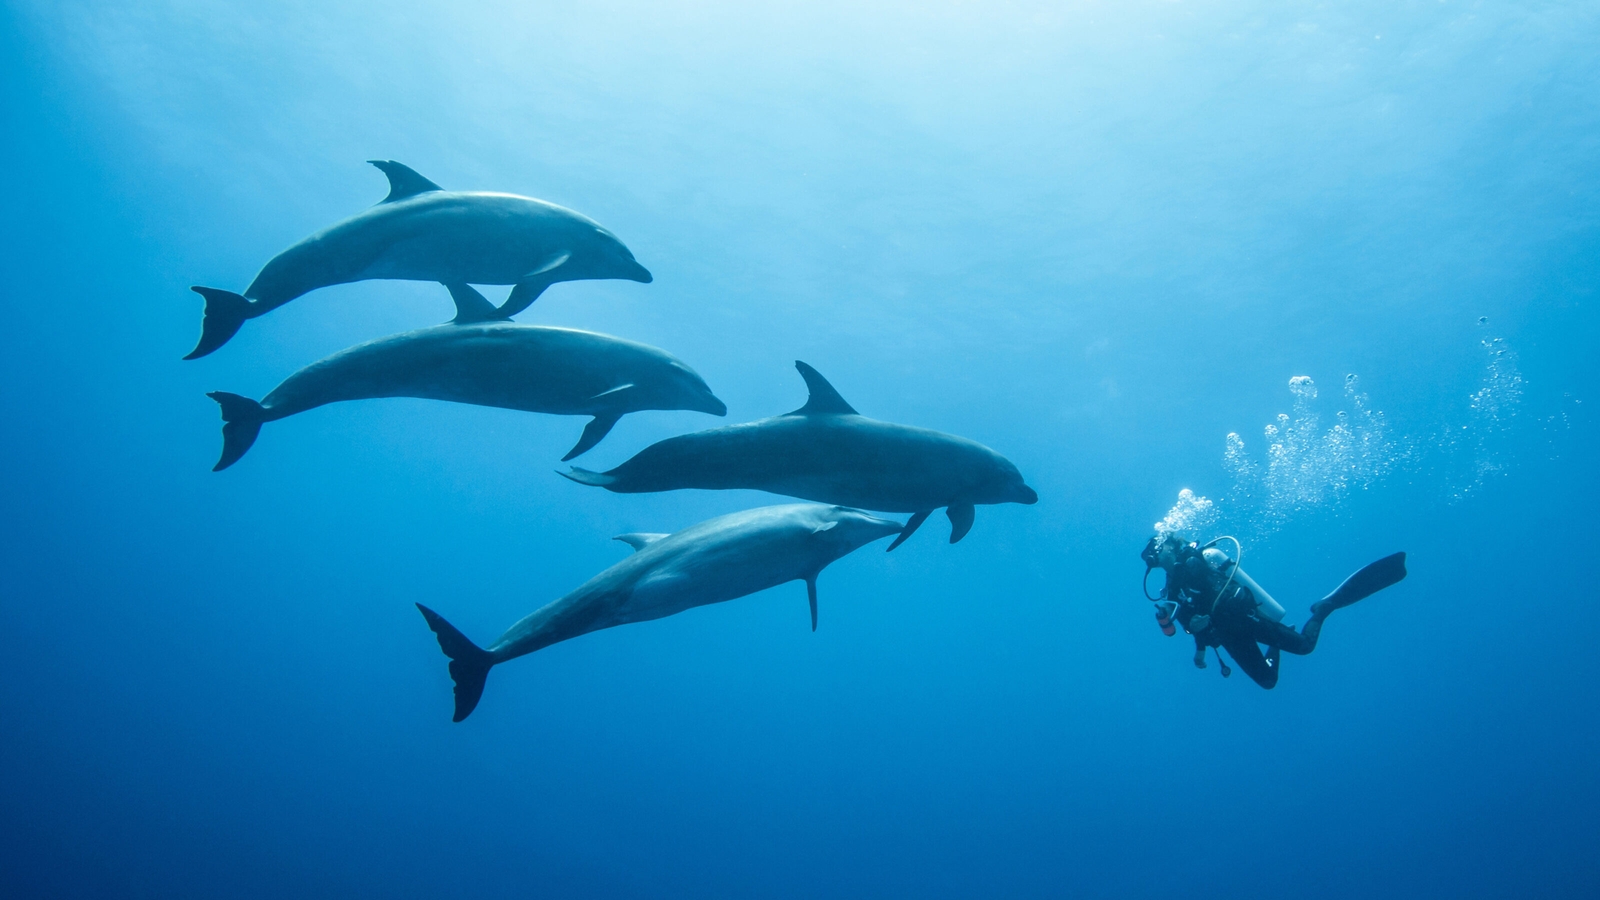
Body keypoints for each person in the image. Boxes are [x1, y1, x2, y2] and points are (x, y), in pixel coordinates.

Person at [1140, 535, 1407, 689]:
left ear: (1170, 545)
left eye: (1156, 549)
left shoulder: (1195, 562)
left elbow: (1219, 592)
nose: (1153, 556)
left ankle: (1324, 608)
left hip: (1247, 620)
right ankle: (1276, 646)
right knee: (1268, 682)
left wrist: (1204, 618)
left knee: (1305, 647)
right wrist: (1199, 645)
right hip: (1229, 637)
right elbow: (1191, 620)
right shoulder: (1171, 590)